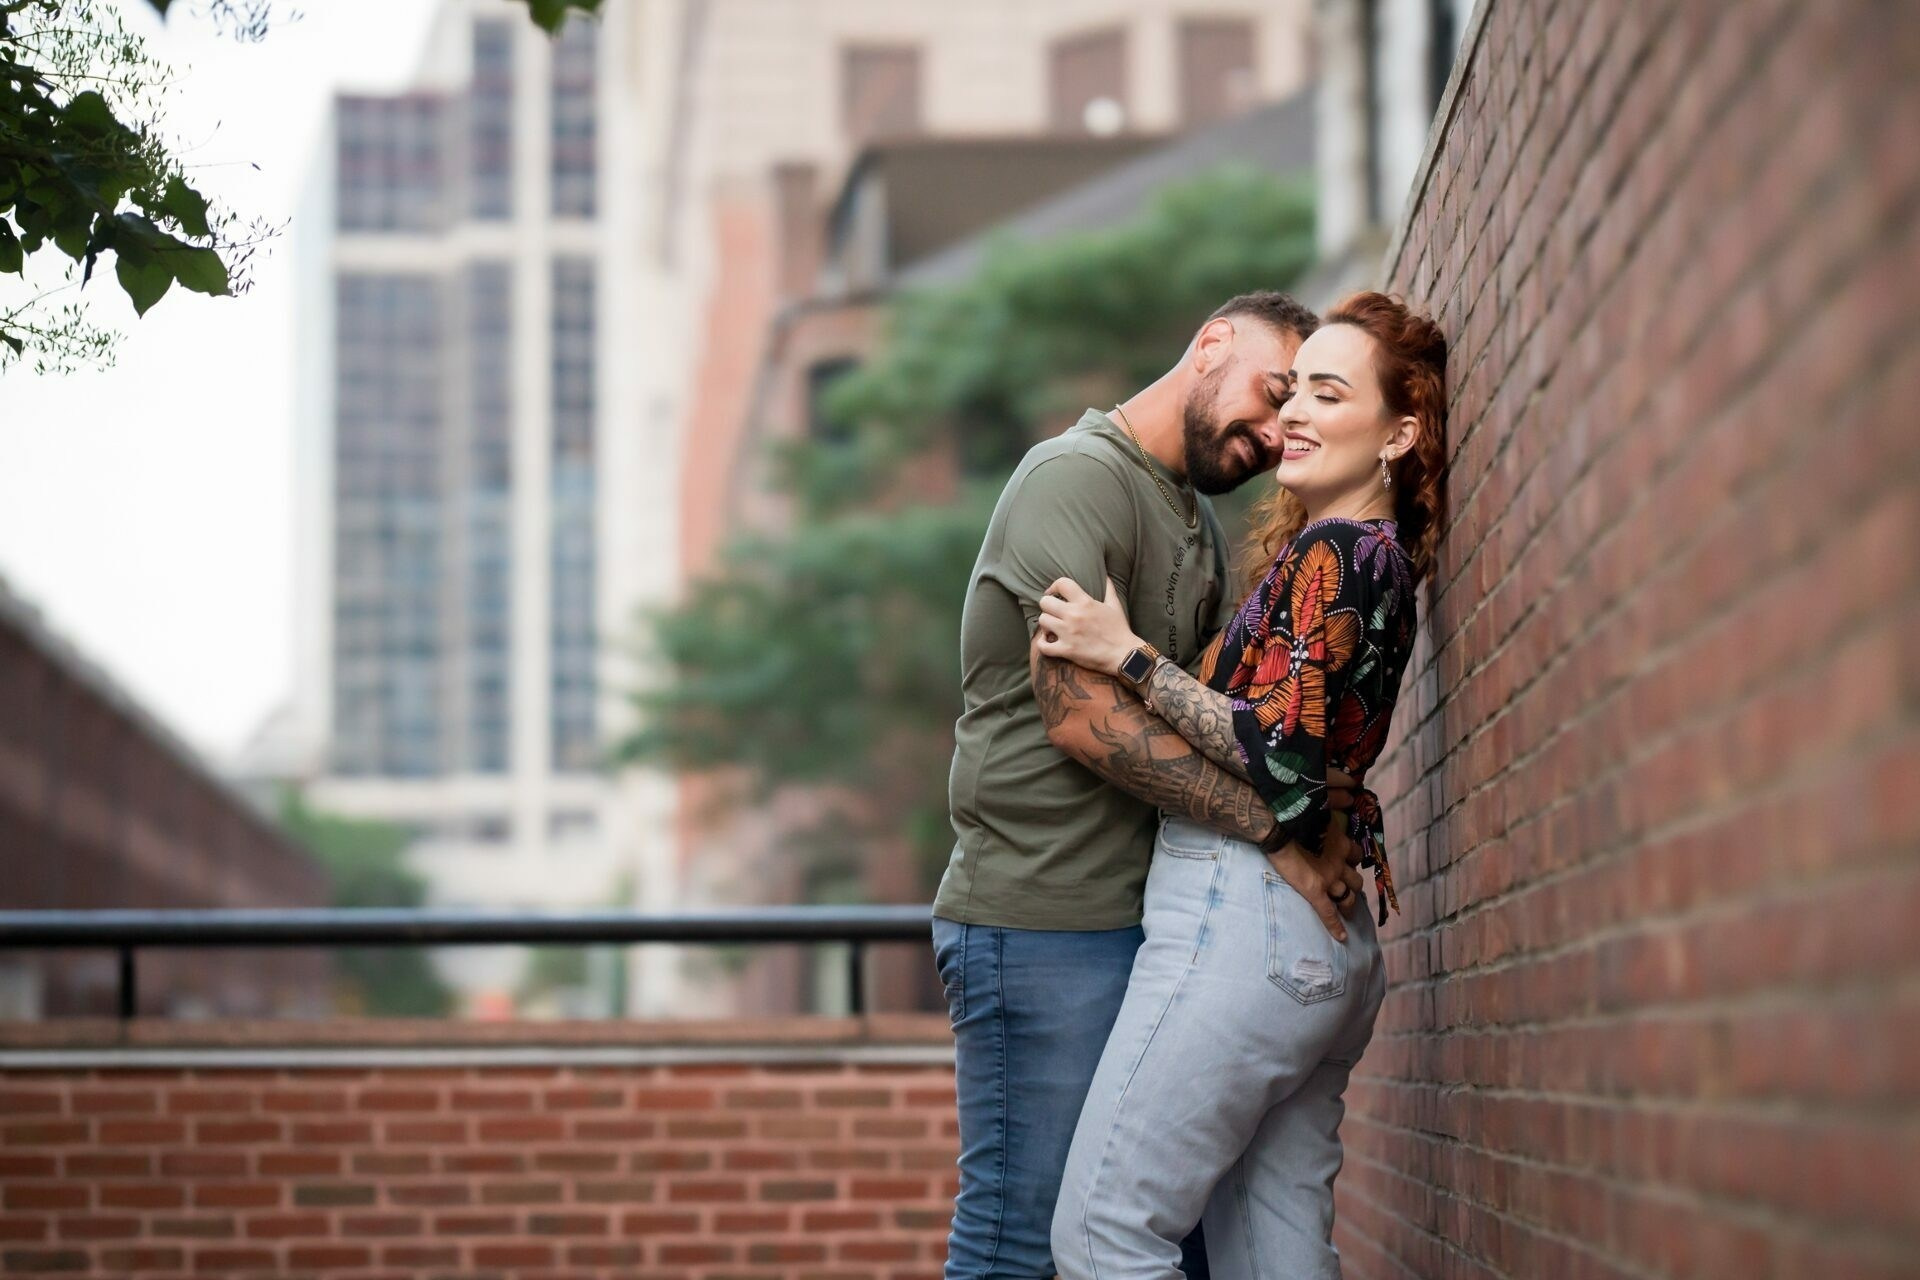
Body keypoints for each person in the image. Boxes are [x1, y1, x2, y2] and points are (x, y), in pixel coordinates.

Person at [932, 291, 1353, 1279]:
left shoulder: (1194, 520)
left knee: (1151, 1239)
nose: (1274, 426)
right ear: (1210, 344)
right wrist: (1278, 830)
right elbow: (1083, 714)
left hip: (1147, 926)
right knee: (1020, 1242)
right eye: (1270, 389)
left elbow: (1194, 708)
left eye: (1298, 408)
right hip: (1039, 920)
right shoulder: (1075, 479)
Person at [1035, 291, 1449, 1278]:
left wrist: (1126, 653)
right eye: (1294, 390)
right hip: (1321, 949)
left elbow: (1278, 751)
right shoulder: (1382, 557)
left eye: (1329, 393)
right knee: (1276, 1252)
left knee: (1102, 1237)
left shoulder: (1338, 552)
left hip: (1244, 926)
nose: (1294, 414)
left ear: (1397, 432)